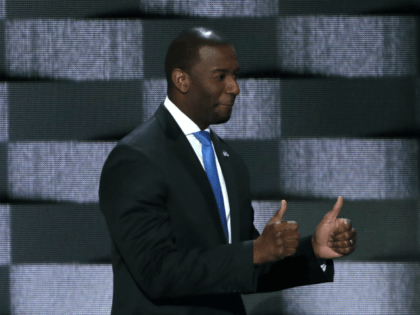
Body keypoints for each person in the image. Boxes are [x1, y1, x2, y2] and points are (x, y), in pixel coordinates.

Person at [99, 27, 357, 315]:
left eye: (235, 75)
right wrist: (254, 252)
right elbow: (156, 272)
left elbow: (247, 266)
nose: (235, 87)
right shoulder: (136, 158)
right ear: (181, 80)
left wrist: (313, 250)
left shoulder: (228, 160)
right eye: (221, 76)